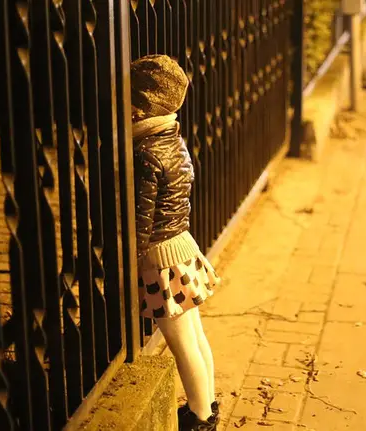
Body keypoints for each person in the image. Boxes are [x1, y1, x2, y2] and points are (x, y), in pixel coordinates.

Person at [131, 54, 221, 431]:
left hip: (163, 260)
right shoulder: (174, 140)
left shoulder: (145, 153)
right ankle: (207, 406)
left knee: (183, 345)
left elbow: (141, 220)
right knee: (196, 337)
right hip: (182, 246)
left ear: (139, 108)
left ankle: (201, 420)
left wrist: (129, 260)